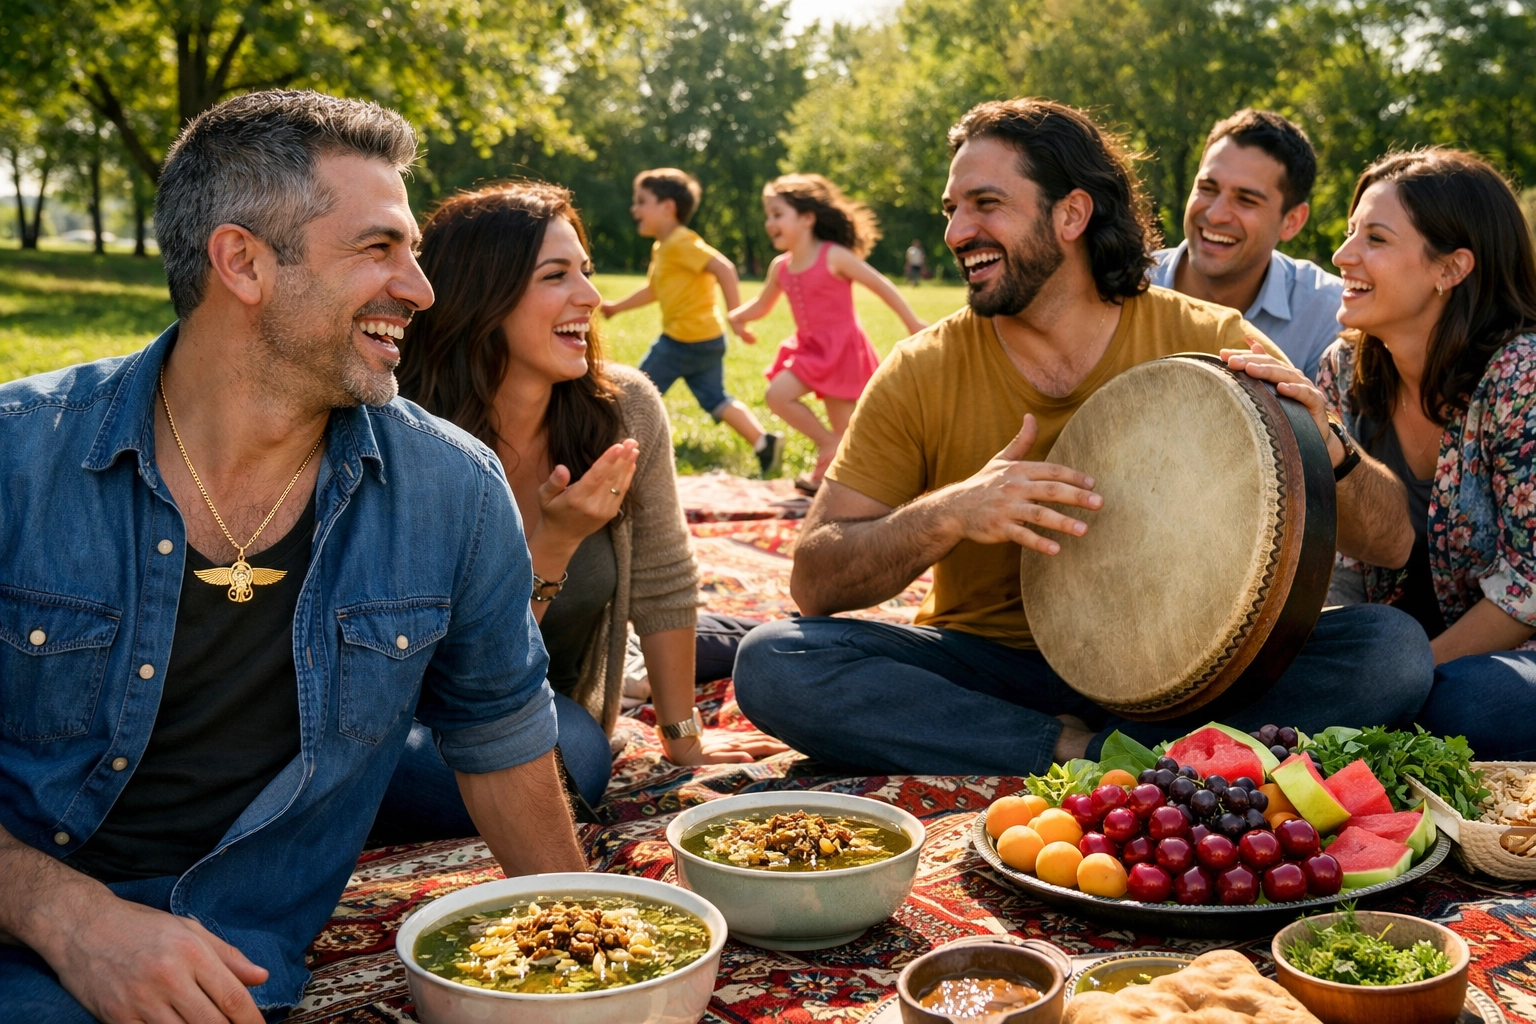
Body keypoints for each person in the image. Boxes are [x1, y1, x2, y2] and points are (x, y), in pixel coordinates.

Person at [0, 91, 585, 1022]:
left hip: (238, 965)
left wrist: (599, 952)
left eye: (415, 253)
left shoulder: (452, 491)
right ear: (243, 262)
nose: (421, 290)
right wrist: (68, 918)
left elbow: (501, 739)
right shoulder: (18, 458)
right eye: (378, 248)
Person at [731, 98, 1433, 776]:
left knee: (1391, 651)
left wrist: (1331, 449)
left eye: (986, 204)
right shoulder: (923, 369)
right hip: (992, 670)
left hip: (1192, 669)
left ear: (1071, 213)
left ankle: (1121, 746)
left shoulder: (1210, 340)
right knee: (775, 660)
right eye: (952, 210)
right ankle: (1086, 752)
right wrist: (950, 513)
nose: (955, 232)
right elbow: (814, 581)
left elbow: (1393, 542)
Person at [379, 183, 787, 836]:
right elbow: (457, 682)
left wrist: (684, 737)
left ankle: (754, 636)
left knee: (574, 745)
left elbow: (662, 575)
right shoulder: (400, 437)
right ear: (484, 296)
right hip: (413, 718)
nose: (592, 298)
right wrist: (555, 544)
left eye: (586, 273)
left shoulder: (623, 409)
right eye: (556, 276)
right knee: (540, 758)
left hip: (548, 707)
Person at [1314, 148, 1536, 761]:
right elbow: (1338, 569)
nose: (1343, 256)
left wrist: (1400, 676)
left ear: (1451, 268)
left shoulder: (1521, 376)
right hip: (1392, 654)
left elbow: (1528, 591)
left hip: (1500, 664)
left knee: (1477, 703)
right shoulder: (1341, 371)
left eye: (1375, 238)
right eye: (1350, 231)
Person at [728, 174, 927, 494]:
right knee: (777, 395)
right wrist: (737, 317)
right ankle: (827, 445)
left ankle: (838, 479)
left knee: (848, 429)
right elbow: (762, 304)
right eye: (768, 215)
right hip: (809, 349)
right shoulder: (781, 267)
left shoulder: (833, 255)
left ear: (807, 218)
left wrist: (912, 322)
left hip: (843, 350)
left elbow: (880, 285)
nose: (769, 223)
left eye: (778, 214)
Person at [601, 168, 785, 478]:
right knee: (716, 399)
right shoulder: (663, 247)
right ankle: (764, 443)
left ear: (667, 207)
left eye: (641, 201)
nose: (634, 209)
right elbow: (655, 290)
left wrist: (737, 315)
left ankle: (613, 449)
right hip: (707, 340)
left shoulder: (680, 242)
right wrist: (617, 307)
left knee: (635, 391)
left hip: (681, 342)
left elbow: (725, 269)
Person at [1148, 109, 1344, 380]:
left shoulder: (1328, 314)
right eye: (1207, 188)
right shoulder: (1122, 284)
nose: (1216, 214)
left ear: (1292, 221)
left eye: (1246, 200)